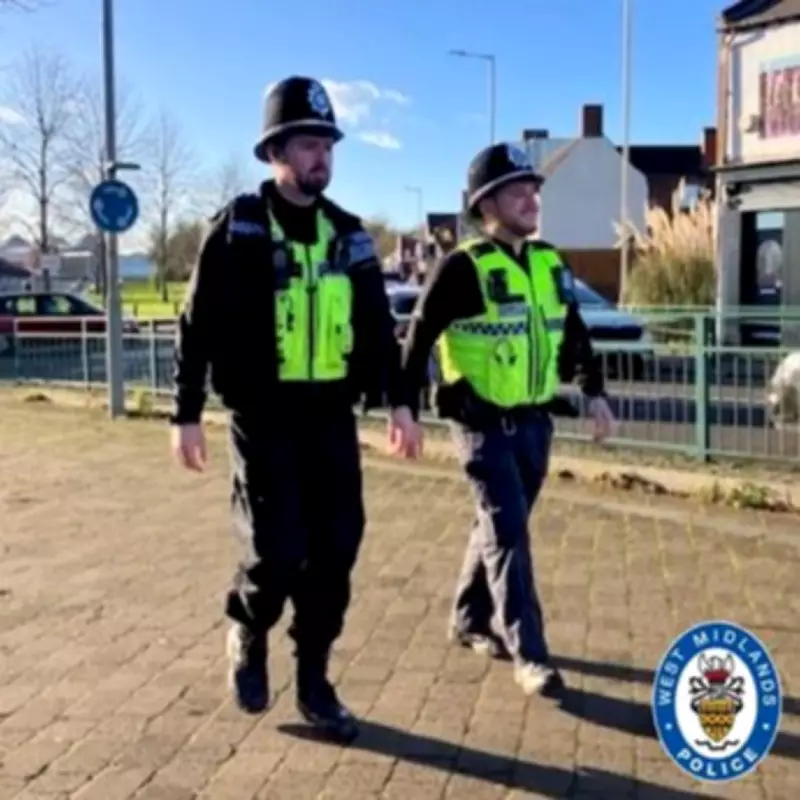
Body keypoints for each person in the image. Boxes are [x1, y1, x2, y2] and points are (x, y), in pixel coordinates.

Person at [169, 75, 421, 741]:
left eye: (327, 146)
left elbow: (377, 327)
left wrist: (400, 404)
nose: (321, 159)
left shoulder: (351, 236)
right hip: (264, 418)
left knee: (336, 548)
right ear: (276, 152)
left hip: (331, 420)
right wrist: (185, 412)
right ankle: (248, 629)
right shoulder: (239, 228)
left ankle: (314, 677)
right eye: (308, 145)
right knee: (277, 551)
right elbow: (196, 323)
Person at [400, 142, 616, 697]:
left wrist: (595, 392)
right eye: (518, 190)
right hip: (479, 424)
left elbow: (572, 332)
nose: (532, 198)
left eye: (534, 188)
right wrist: (406, 406)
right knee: (510, 533)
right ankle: (530, 655)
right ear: (486, 204)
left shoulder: (549, 262)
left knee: (496, 528)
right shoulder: (462, 267)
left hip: (535, 423)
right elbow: (418, 334)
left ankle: (467, 619)